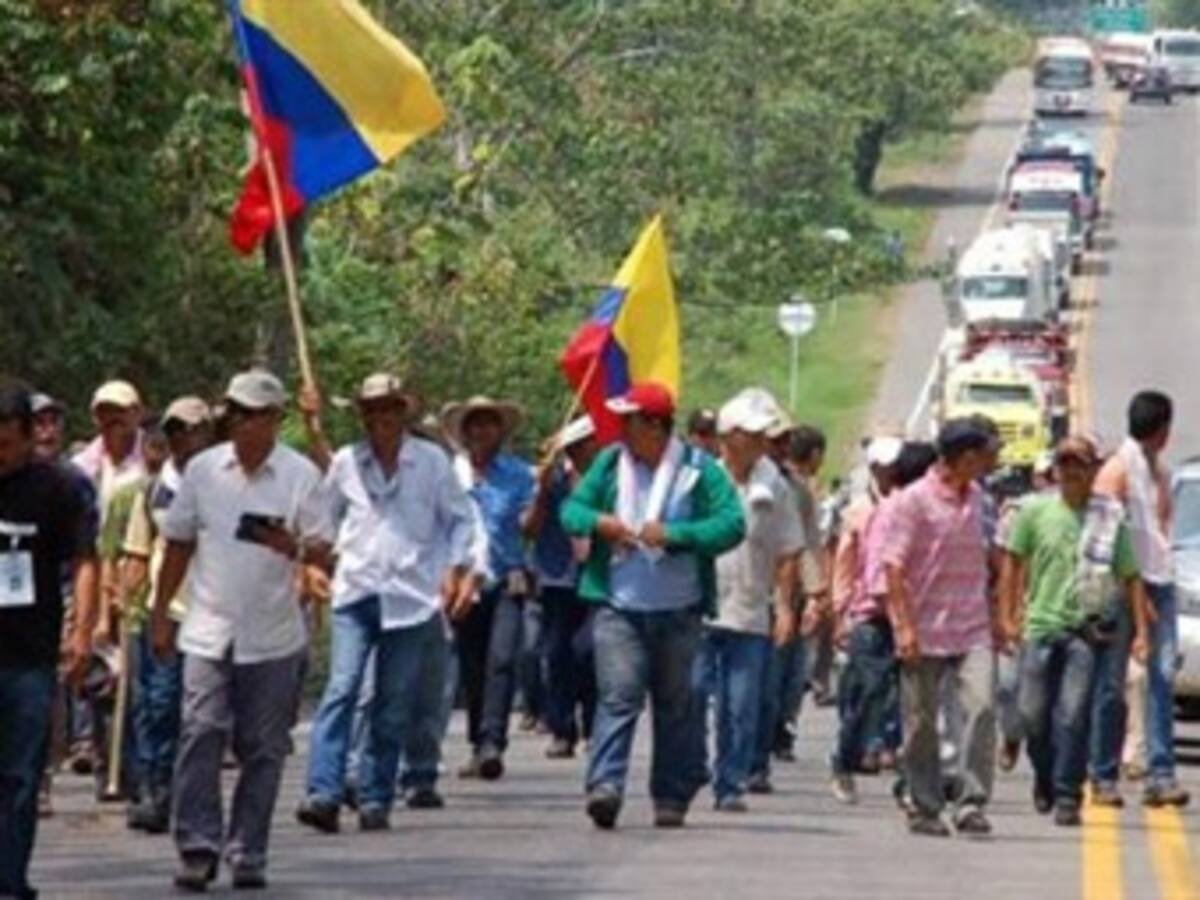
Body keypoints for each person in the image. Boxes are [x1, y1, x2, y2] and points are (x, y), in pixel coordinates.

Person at [149, 370, 334, 891]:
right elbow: (179, 542)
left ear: (277, 419)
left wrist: (293, 546)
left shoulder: (299, 476)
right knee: (200, 731)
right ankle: (197, 845)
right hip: (208, 627)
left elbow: (325, 551)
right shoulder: (204, 471)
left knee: (263, 747)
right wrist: (160, 612)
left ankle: (248, 849)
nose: (247, 425)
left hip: (272, 634)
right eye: (239, 414)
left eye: (258, 415)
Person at [297, 374, 476, 834]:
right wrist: (313, 563)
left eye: (389, 409)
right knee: (342, 689)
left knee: (393, 701)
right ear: (362, 416)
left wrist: (455, 567)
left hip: (411, 597)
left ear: (403, 413)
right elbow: (323, 519)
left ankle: (375, 795)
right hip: (356, 590)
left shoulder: (431, 462)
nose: (380, 418)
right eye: (371, 410)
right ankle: (323, 791)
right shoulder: (347, 462)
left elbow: (460, 520)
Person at [561, 381, 745, 830]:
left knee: (676, 704)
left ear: (656, 426)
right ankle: (605, 786)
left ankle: (671, 795)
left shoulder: (698, 470)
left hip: (680, 609)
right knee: (618, 697)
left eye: (630, 421)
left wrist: (676, 535)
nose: (622, 429)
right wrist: (600, 522)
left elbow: (731, 524)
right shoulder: (609, 464)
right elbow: (571, 511)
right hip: (619, 605)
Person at [1001, 436, 1151, 827]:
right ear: (1055, 470)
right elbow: (1013, 563)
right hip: (1040, 628)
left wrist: (1141, 632)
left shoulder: (1108, 518)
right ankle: (1045, 775)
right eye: (1064, 464)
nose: (1071, 472)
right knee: (1033, 715)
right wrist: (1008, 616)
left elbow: (1130, 576)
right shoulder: (1034, 512)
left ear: (1092, 470)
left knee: (1072, 716)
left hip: (1083, 632)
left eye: (1079, 465)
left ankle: (1068, 792)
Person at [0, 384, 97, 900]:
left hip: (29, 655)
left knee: (21, 773)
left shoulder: (57, 488)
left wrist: (81, 632)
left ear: (27, 437)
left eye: (7, 443)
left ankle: (10, 879)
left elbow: (84, 561)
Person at [884, 419, 997, 837]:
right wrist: (904, 627)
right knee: (921, 722)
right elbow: (893, 567)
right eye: (984, 454)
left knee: (982, 707)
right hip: (925, 626)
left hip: (972, 626)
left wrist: (1001, 613)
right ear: (965, 457)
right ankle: (925, 803)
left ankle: (971, 802)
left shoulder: (979, 498)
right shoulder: (913, 501)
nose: (990, 461)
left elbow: (992, 557)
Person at [694, 391, 804, 812]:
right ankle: (691, 766)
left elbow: (788, 550)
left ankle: (730, 782)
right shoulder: (701, 480)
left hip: (750, 609)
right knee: (691, 696)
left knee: (740, 705)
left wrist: (786, 608)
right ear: (729, 436)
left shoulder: (774, 486)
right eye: (752, 434)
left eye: (763, 435)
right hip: (701, 606)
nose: (760, 442)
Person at [1090, 391, 1189, 807]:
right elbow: (1103, 542)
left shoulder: (1160, 472)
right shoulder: (1116, 472)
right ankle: (1103, 774)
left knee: (1162, 677)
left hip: (1159, 582)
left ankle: (1161, 774)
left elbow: (1162, 529)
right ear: (1162, 429)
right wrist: (1132, 594)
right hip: (1121, 586)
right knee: (1112, 684)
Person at [119, 397, 214, 833]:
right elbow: (138, 552)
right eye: (175, 431)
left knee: (202, 714)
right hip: (167, 613)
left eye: (192, 430)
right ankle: (158, 790)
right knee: (160, 705)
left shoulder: (224, 484)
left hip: (214, 611)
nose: (183, 439)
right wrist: (128, 602)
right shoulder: (153, 490)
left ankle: (193, 792)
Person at [441, 395, 535, 781]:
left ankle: (494, 740)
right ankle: (478, 741)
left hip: (506, 578)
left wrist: (543, 493)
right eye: (475, 424)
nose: (482, 431)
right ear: (464, 432)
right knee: (473, 663)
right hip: (462, 581)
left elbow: (529, 527)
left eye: (490, 423)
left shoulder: (519, 474)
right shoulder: (450, 475)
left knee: (502, 658)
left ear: (501, 431)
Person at [829, 436, 902, 803]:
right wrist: (840, 613)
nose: (889, 473)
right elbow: (844, 563)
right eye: (883, 467)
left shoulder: (908, 506)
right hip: (869, 614)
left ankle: (898, 761)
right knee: (868, 690)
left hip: (907, 613)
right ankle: (846, 759)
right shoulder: (858, 511)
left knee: (909, 697)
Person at [525, 416, 601, 759]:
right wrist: (542, 490)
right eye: (580, 444)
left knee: (590, 651)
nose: (588, 449)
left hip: (597, 577)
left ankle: (593, 725)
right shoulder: (553, 481)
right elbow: (530, 528)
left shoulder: (608, 482)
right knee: (557, 653)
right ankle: (561, 727)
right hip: (558, 577)